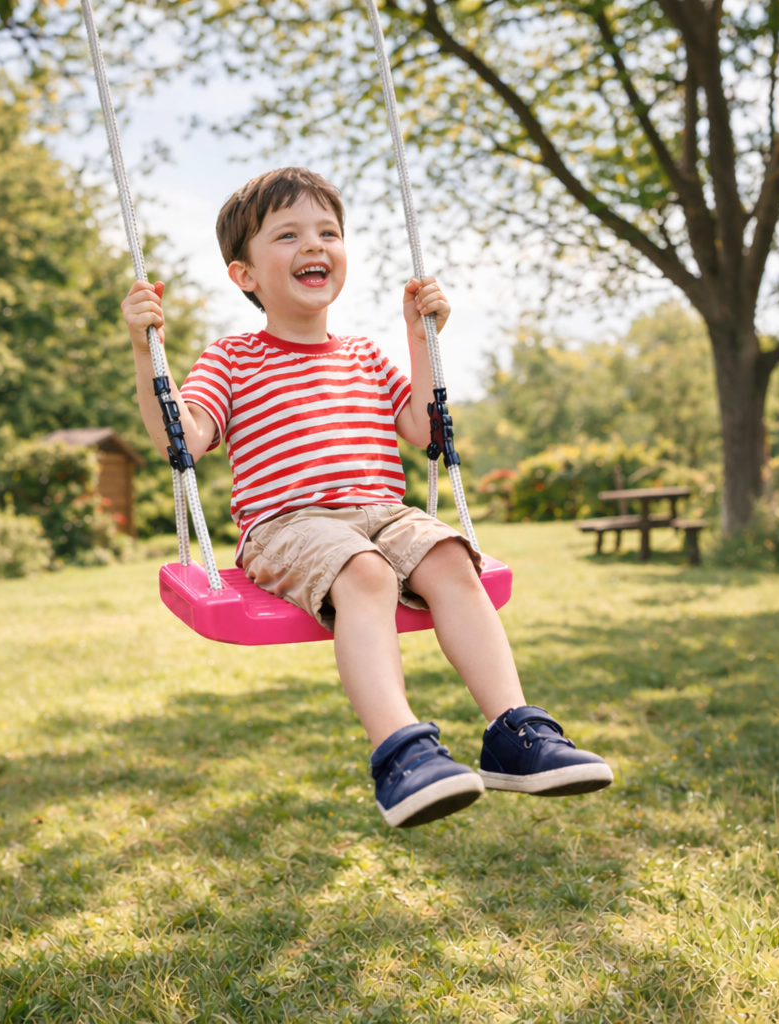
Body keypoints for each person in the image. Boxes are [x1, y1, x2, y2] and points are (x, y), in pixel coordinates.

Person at [122, 167, 612, 828]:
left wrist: (421, 337)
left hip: (383, 513)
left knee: (450, 557)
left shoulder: (365, 356)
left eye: (328, 232)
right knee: (366, 572)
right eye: (287, 235)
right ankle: (401, 752)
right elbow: (184, 440)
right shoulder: (231, 358)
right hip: (287, 524)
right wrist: (145, 353)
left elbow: (423, 430)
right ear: (245, 275)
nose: (313, 245)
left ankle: (514, 734)